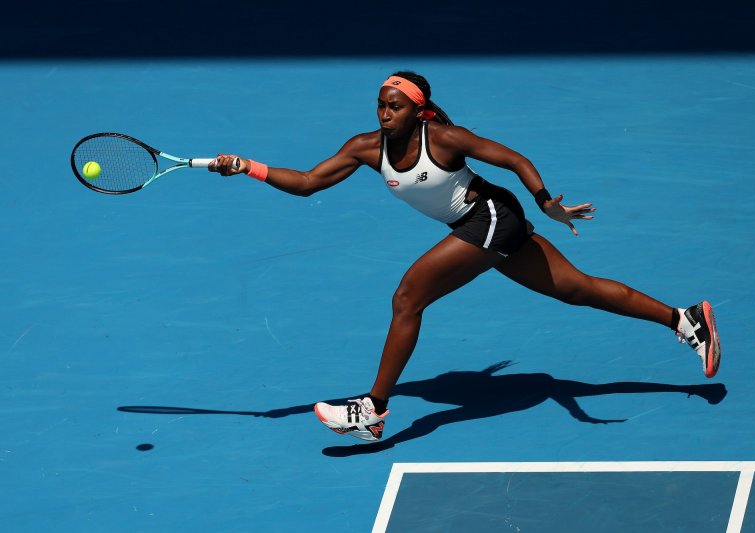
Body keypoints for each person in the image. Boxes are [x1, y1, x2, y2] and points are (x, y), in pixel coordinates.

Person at [209, 71, 721, 443]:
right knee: (576, 289)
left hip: (492, 216)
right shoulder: (365, 147)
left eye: (395, 106)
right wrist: (248, 166)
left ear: (418, 110)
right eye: (380, 105)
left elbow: (513, 158)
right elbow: (307, 182)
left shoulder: (445, 139)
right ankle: (684, 319)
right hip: (480, 225)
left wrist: (547, 203)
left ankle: (373, 409)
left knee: (408, 297)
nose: (384, 113)